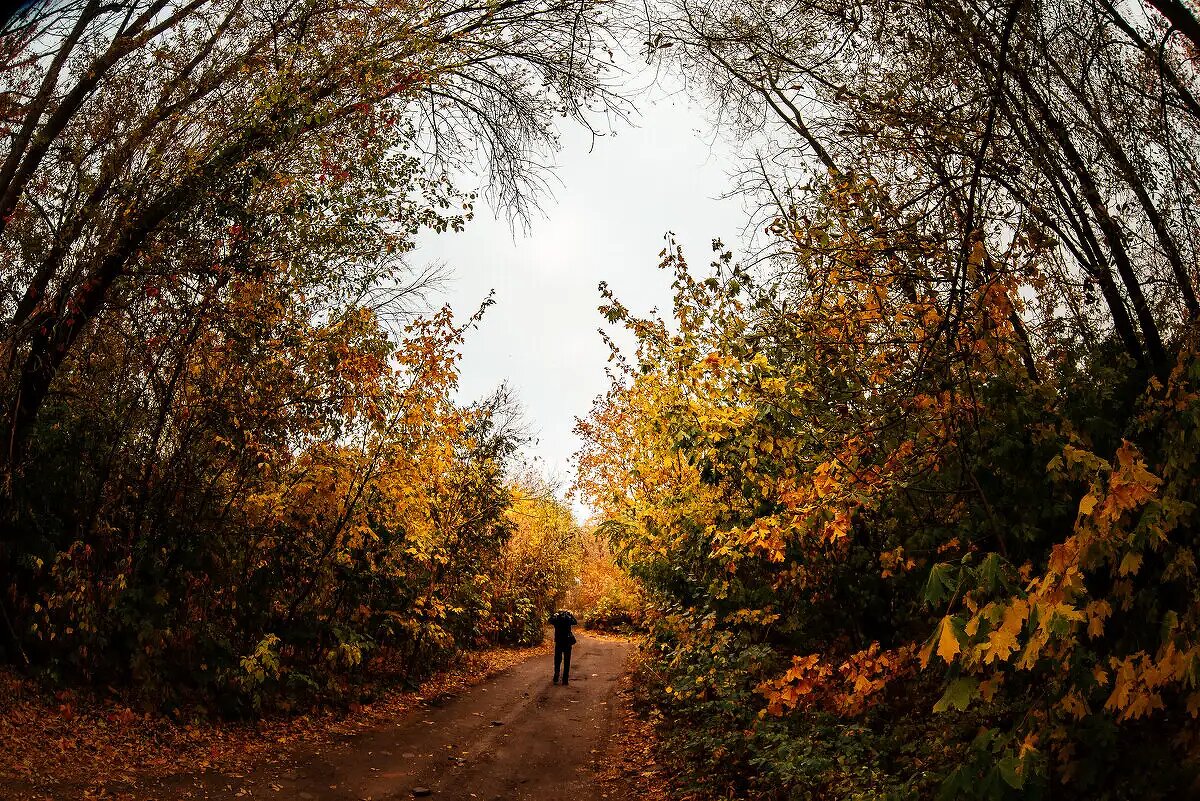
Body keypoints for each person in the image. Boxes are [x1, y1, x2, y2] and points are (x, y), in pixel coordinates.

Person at [548, 609, 578, 685]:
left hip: (559, 642)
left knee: (557, 660)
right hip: (567, 642)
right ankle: (565, 680)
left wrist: (554, 615)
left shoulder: (556, 619)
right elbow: (575, 622)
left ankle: (556, 674)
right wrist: (570, 614)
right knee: (567, 661)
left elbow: (549, 620)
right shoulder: (568, 618)